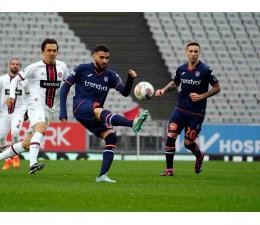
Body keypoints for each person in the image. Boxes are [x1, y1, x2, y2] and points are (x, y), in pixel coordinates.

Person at [59, 44, 149, 183]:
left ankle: (102, 176)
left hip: (95, 113)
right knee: (100, 110)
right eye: (101, 57)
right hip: (81, 107)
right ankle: (133, 123)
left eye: (107, 58)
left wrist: (130, 79)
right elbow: (65, 88)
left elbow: (125, 92)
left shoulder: (110, 75)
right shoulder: (82, 69)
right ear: (93, 56)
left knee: (111, 137)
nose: (105, 61)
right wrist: (63, 112)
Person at [0, 38, 69, 175]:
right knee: (41, 128)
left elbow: (66, 86)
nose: (52, 53)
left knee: (26, 143)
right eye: (48, 50)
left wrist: (64, 110)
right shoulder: (34, 67)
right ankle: (32, 164)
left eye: (54, 51)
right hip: (35, 104)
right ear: (42, 52)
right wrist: (12, 96)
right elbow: (15, 81)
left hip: (50, 109)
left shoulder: (62, 67)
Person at [155, 41, 221, 176]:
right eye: (190, 51)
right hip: (180, 109)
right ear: (186, 53)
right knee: (171, 136)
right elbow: (175, 83)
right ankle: (169, 170)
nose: (193, 54)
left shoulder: (205, 70)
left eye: (196, 51)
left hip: (196, 113)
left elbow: (217, 88)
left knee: (187, 143)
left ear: (199, 53)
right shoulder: (181, 69)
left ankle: (199, 156)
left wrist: (202, 96)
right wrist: (163, 90)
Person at [0, 58, 29, 171]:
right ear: (9, 65)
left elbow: (29, 94)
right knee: (1, 137)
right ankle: (7, 159)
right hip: (5, 113)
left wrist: (29, 109)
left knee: (15, 133)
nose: (15, 66)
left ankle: (15, 156)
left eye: (17, 64)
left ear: (19, 66)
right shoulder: (2, 79)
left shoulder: (24, 81)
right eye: (13, 64)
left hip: (18, 112)